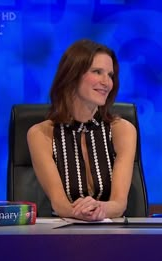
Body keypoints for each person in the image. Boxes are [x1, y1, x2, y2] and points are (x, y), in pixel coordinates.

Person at [27, 39, 136, 221]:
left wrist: (100, 208)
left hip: (113, 233)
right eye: (97, 72)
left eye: (110, 75)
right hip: (63, 235)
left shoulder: (122, 130)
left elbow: (118, 204)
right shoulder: (40, 134)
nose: (106, 82)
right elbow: (60, 204)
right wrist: (82, 213)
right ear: (72, 75)